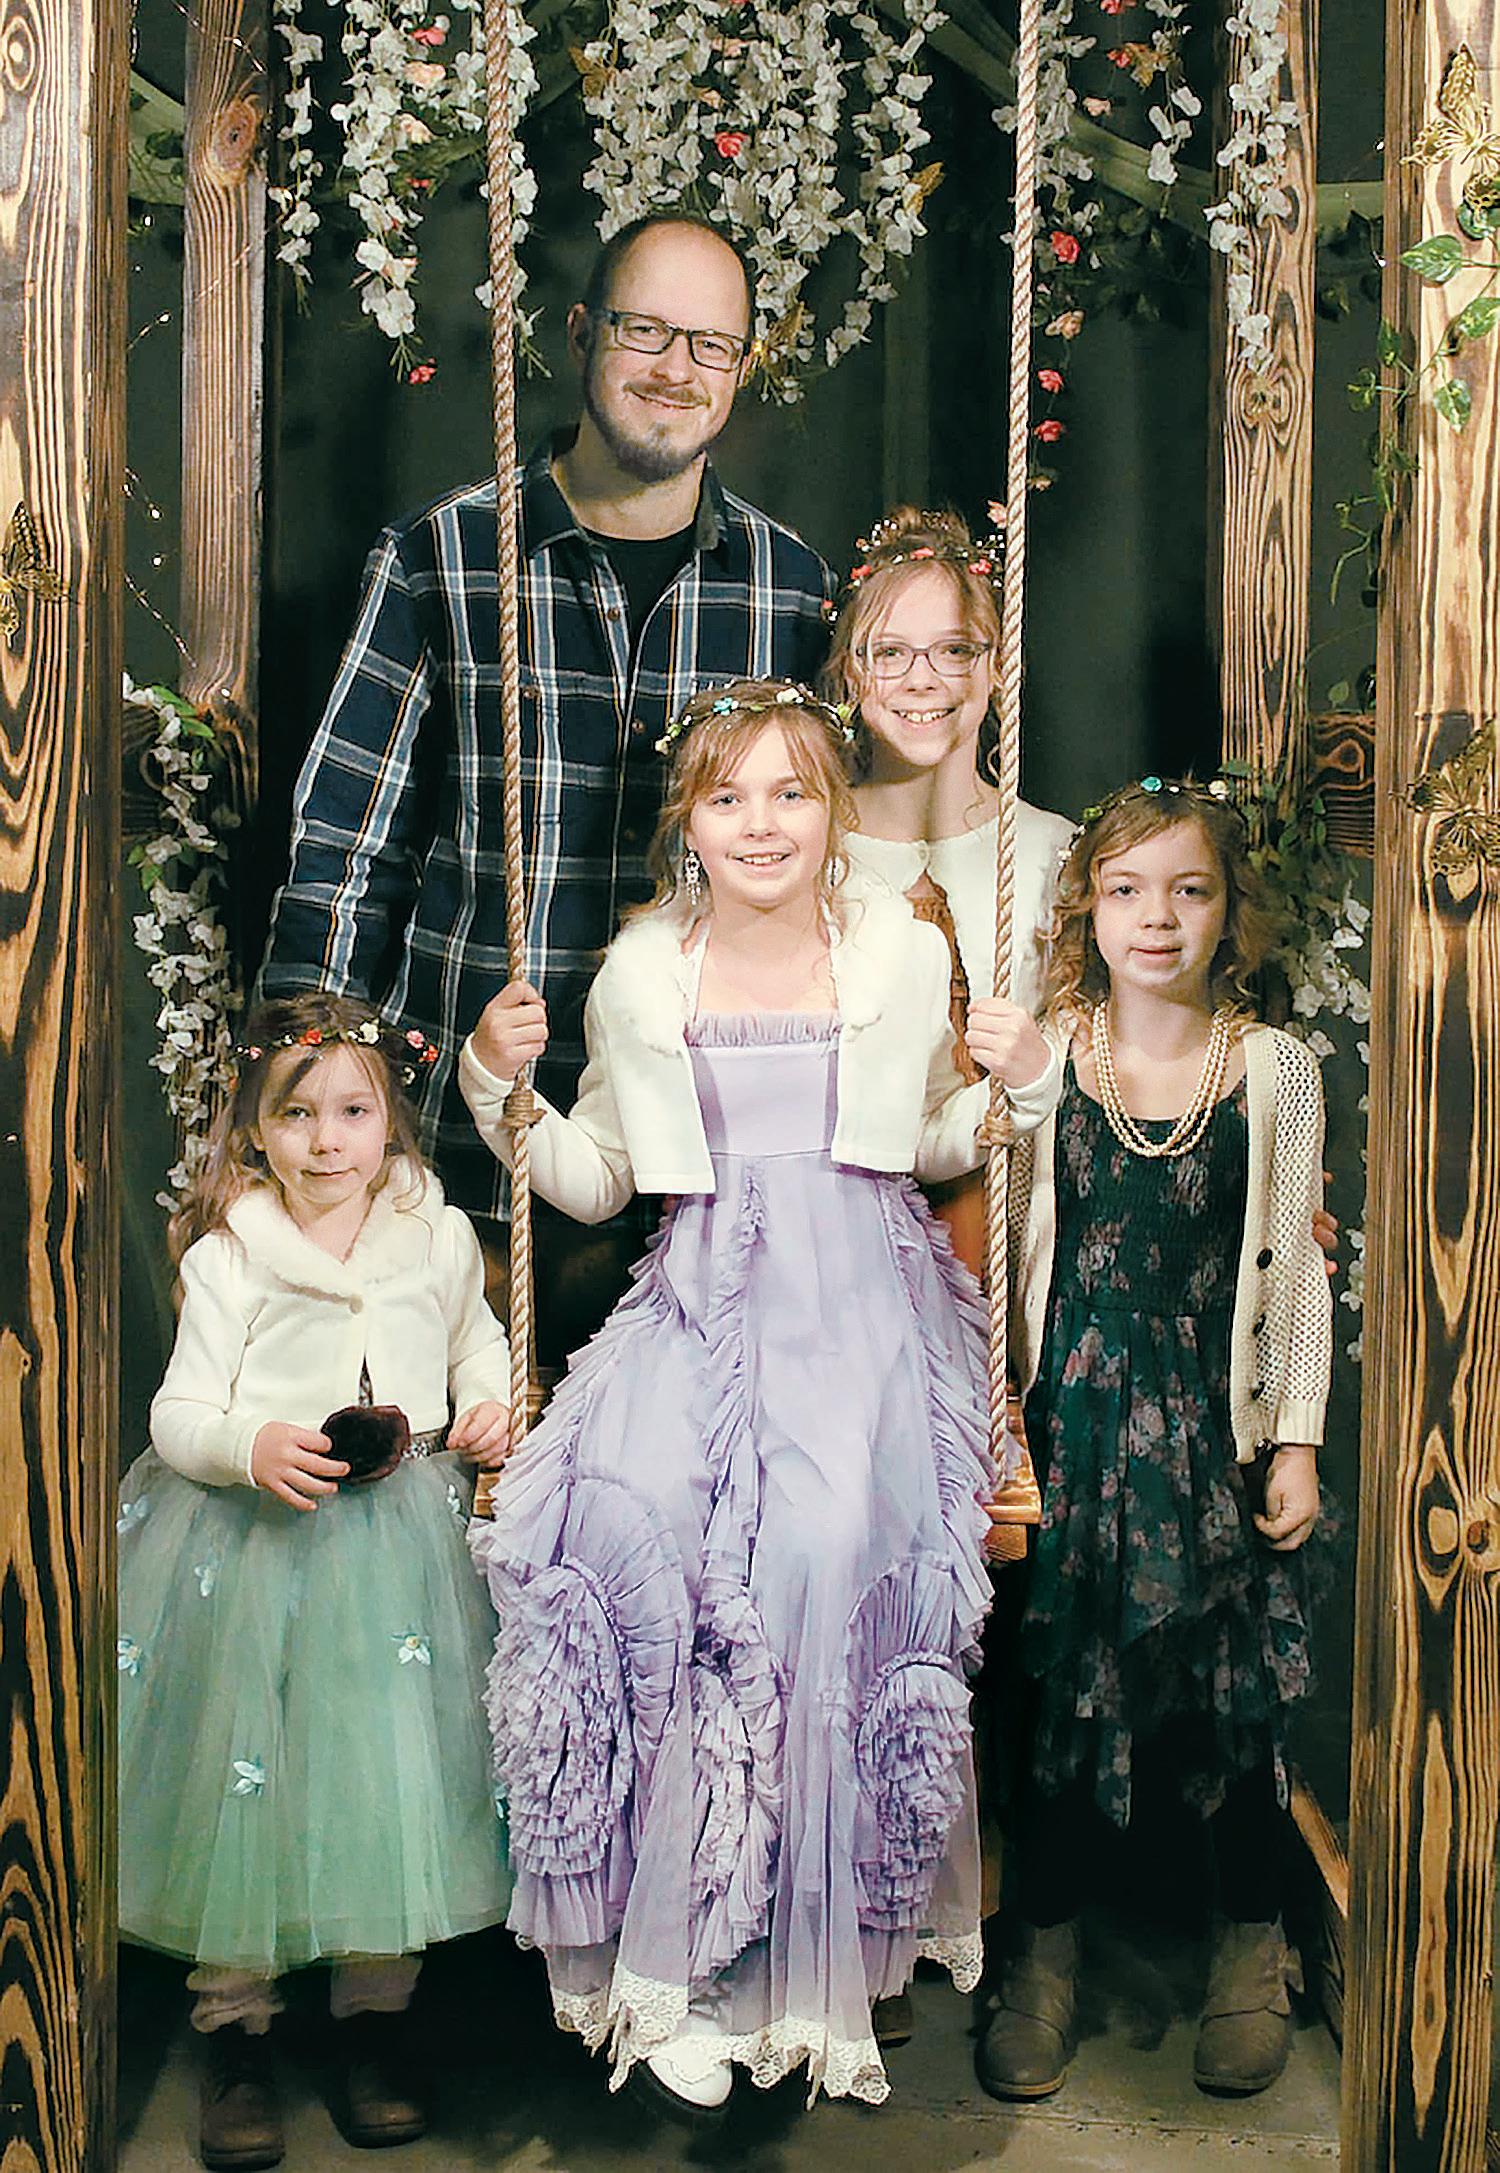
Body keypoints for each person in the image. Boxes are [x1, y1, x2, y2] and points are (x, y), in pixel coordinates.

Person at [458, 680, 1060, 2113]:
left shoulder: (900, 951)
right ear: (691, 820)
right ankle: (680, 1968)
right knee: (638, 1517)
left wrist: (1021, 1085)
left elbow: (935, 1141)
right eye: (728, 797)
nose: (762, 823)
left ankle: (795, 1973)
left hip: (863, 1301)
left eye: (792, 791)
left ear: (832, 808)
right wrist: (498, 1087)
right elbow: (596, 1178)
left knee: (820, 1541)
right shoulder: (640, 971)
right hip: (703, 1299)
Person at [260, 213, 834, 1359]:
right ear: (579, 334)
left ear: (742, 366)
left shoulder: (792, 590)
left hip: (702, 1162)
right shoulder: (443, 555)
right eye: (643, 330)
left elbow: (846, 864)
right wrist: (296, 1091)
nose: (675, 368)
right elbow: (345, 851)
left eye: (710, 344)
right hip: (463, 1164)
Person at [977, 779, 1332, 2105]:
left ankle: (1252, 1943)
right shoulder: (1054, 1053)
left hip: (1209, 1424)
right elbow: (1009, 1237)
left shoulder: (1273, 1069)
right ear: (1088, 908)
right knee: (1068, 1699)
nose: (1159, 918)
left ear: (1232, 911)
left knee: (1233, 1704)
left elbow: (1295, 1269)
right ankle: (1043, 1952)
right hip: (1078, 1422)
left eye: (1190, 890)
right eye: (1127, 890)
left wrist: (1294, 1438)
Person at [116, 994, 513, 2171]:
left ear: (391, 1124)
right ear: (256, 1129)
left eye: (353, 1113)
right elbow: (180, 1411)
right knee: (248, 1769)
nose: (327, 1140)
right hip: (260, 1550)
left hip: (403, 1550)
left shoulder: (435, 1236)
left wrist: (487, 1400)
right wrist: (248, 1444)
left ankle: (374, 2017)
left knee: (384, 1763)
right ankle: (236, 2023)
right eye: (297, 1116)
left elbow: (475, 1339)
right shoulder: (233, 1255)